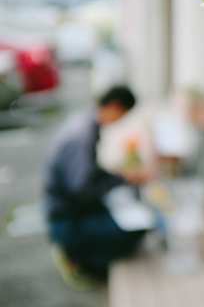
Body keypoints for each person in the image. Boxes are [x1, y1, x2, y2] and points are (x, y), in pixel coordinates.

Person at [44, 86, 147, 288]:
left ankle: (80, 250)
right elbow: (82, 189)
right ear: (115, 106)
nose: (120, 121)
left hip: (68, 210)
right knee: (133, 231)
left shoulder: (81, 121)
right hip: (67, 220)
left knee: (122, 214)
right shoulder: (84, 134)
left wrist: (120, 176)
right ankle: (79, 258)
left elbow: (86, 177)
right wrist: (122, 179)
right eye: (123, 115)